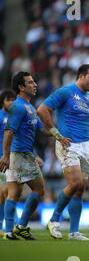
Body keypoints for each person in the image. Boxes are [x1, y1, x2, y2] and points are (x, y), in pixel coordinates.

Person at [37, 64, 89, 241]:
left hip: (85, 147)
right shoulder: (65, 92)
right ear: (80, 76)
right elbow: (42, 110)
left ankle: (74, 232)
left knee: (80, 189)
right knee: (75, 183)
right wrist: (56, 134)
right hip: (68, 144)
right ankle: (54, 219)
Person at [0, 72, 45, 240]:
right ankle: (19, 227)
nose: (35, 84)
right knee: (38, 189)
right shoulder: (18, 107)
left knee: (13, 193)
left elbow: (40, 130)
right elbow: (9, 132)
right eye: (30, 82)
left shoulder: (30, 107)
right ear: (21, 87)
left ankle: (9, 231)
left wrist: (57, 134)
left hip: (17, 154)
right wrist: (4, 156)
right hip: (17, 155)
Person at [0, 89, 17, 236]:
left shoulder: (15, 116)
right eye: (8, 100)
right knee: (6, 191)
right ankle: (12, 224)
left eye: (13, 99)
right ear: (2, 102)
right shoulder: (0, 116)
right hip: (2, 158)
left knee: (6, 192)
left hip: (14, 158)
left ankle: (5, 225)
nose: (11, 102)